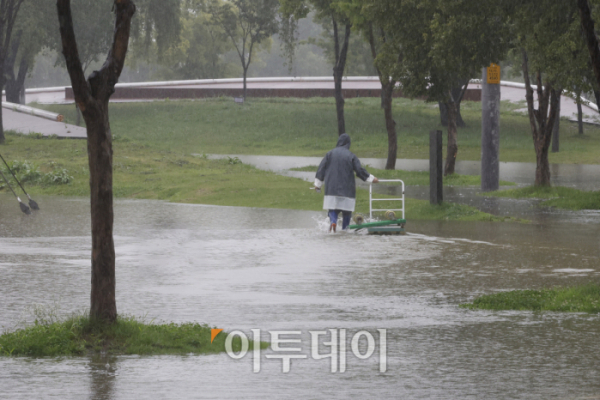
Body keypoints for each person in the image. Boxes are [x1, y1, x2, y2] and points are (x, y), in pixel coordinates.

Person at [313, 133, 378, 232]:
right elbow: (359, 170)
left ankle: (333, 221)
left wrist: (318, 185)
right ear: (348, 144)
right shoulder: (351, 155)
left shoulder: (329, 154)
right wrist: (371, 178)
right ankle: (345, 230)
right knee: (347, 212)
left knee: (332, 209)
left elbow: (321, 169)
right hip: (347, 189)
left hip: (332, 188)